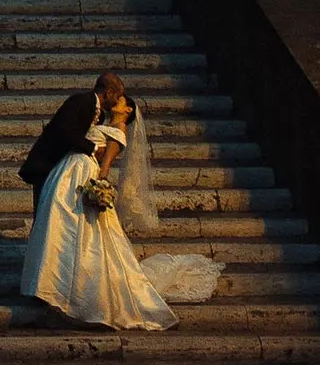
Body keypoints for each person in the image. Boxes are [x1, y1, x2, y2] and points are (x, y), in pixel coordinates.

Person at [18, 90, 223, 329]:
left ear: (127, 111)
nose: (118, 100)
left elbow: (105, 165)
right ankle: (52, 286)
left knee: (80, 235)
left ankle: (71, 293)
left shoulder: (118, 132)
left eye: (123, 101)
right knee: (60, 229)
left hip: (84, 174)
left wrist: (99, 185)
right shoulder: (100, 121)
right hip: (68, 171)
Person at [19, 71, 122, 211]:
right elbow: (65, 132)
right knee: (45, 209)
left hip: (67, 167)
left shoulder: (100, 114)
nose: (117, 101)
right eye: (117, 96)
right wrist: (94, 148)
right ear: (109, 92)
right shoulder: (81, 101)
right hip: (49, 162)